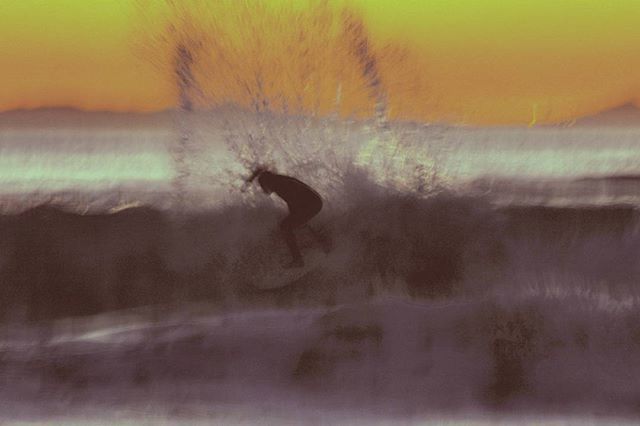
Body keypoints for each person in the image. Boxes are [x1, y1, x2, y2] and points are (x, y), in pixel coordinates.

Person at [247, 168, 328, 268]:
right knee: (296, 223)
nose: (264, 190)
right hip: (314, 201)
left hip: (312, 204)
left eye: (263, 186)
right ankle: (324, 242)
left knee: (285, 226)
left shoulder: (280, 186)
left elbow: (293, 200)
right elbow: (261, 169)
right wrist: (250, 178)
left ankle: (298, 260)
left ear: (268, 182)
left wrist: (293, 216)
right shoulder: (278, 179)